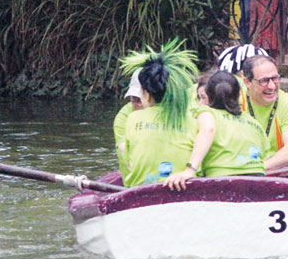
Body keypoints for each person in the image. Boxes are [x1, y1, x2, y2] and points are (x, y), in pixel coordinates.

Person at [164, 71, 269, 191]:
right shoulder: (253, 122)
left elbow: (208, 130)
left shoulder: (207, 113)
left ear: (209, 95)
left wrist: (189, 170)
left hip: (224, 182)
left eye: (202, 97)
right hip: (259, 183)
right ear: (238, 95)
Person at [118, 40, 199, 187]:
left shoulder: (133, 118)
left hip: (141, 189)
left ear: (146, 94)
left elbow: (128, 158)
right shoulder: (192, 119)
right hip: (185, 186)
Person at [240, 55, 288, 171]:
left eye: (275, 79)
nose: (271, 86)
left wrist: (257, 170)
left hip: (280, 172)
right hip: (240, 169)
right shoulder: (234, 100)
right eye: (263, 81)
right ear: (247, 82)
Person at [113, 70, 145, 175]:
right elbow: (122, 147)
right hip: (133, 175)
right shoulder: (123, 116)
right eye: (133, 99)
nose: (136, 104)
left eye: (139, 99)